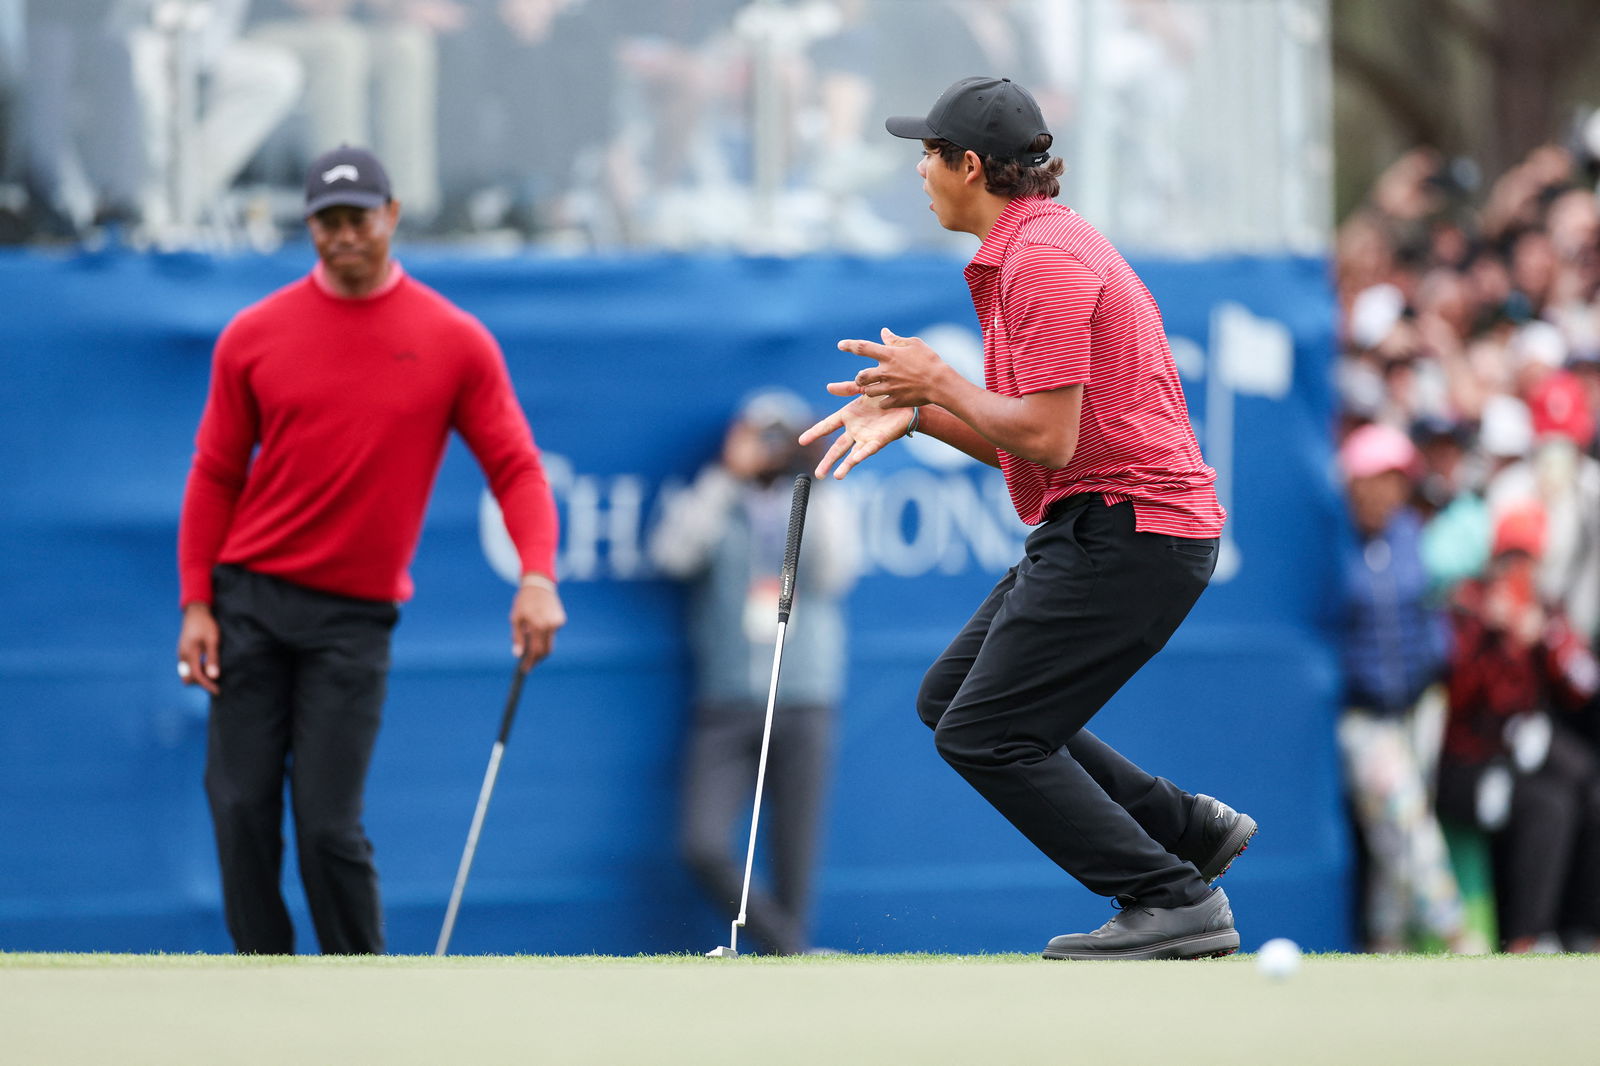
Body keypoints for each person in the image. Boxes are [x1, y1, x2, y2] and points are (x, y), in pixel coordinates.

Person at [798, 75, 1254, 960]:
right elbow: (1044, 443)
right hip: (1115, 520)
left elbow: (1046, 437)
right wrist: (925, 416)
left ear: (971, 166)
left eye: (927, 154)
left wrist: (940, 383)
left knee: (987, 732)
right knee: (953, 701)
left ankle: (1172, 896)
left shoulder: (1041, 259)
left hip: (1132, 529)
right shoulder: (1035, 246)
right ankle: (1182, 828)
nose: (919, 172)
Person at [174, 145, 565, 954]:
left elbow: (517, 469)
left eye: (359, 218)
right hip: (249, 598)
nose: (343, 235)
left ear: (391, 216)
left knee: (327, 827)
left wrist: (536, 576)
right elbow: (214, 474)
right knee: (240, 808)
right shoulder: (252, 336)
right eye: (327, 221)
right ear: (309, 225)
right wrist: (196, 604)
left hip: (353, 620)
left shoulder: (453, 340)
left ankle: (362, 998)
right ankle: (266, 989)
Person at [649, 388, 858, 955]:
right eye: (758, 436)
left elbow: (835, 572)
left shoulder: (817, 497)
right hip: (729, 698)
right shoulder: (720, 500)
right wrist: (725, 476)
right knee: (702, 843)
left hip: (804, 694)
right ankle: (791, 950)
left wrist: (815, 480)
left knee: (795, 853)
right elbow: (672, 554)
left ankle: (789, 967)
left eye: (781, 436)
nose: (770, 449)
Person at [1336, 422, 1479, 953]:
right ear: (1353, 481)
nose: (1386, 491)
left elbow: (1429, 611)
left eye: (1396, 479)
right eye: (1376, 478)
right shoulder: (1336, 544)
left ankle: (1387, 943)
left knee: (1394, 833)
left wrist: (1437, 664)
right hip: (1362, 715)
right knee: (1407, 821)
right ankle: (1455, 931)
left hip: (1420, 706)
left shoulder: (1409, 535)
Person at [1437, 504, 1600, 953]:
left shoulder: (1546, 611)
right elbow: (1458, 697)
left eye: (1530, 559)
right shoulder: (1468, 607)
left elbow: (1583, 686)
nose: (1522, 570)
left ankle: (1582, 928)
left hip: (1523, 757)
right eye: (1514, 557)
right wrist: (1497, 638)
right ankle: (1528, 937)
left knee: (1586, 784)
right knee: (1549, 806)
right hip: (1467, 768)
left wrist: (1544, 637)